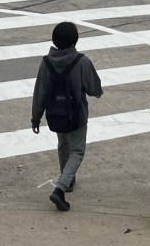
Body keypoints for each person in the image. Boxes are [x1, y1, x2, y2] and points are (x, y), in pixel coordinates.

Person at [31, 21, 103, 211]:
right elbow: (95, 88)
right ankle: (61, 188)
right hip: (76, 115)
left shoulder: (46, 62)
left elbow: (40, 92)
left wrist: (35, 118)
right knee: (77, 150)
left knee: (63, 145)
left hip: (55, 114)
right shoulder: (82, 61)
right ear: (74, 40)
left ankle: (67, 179)